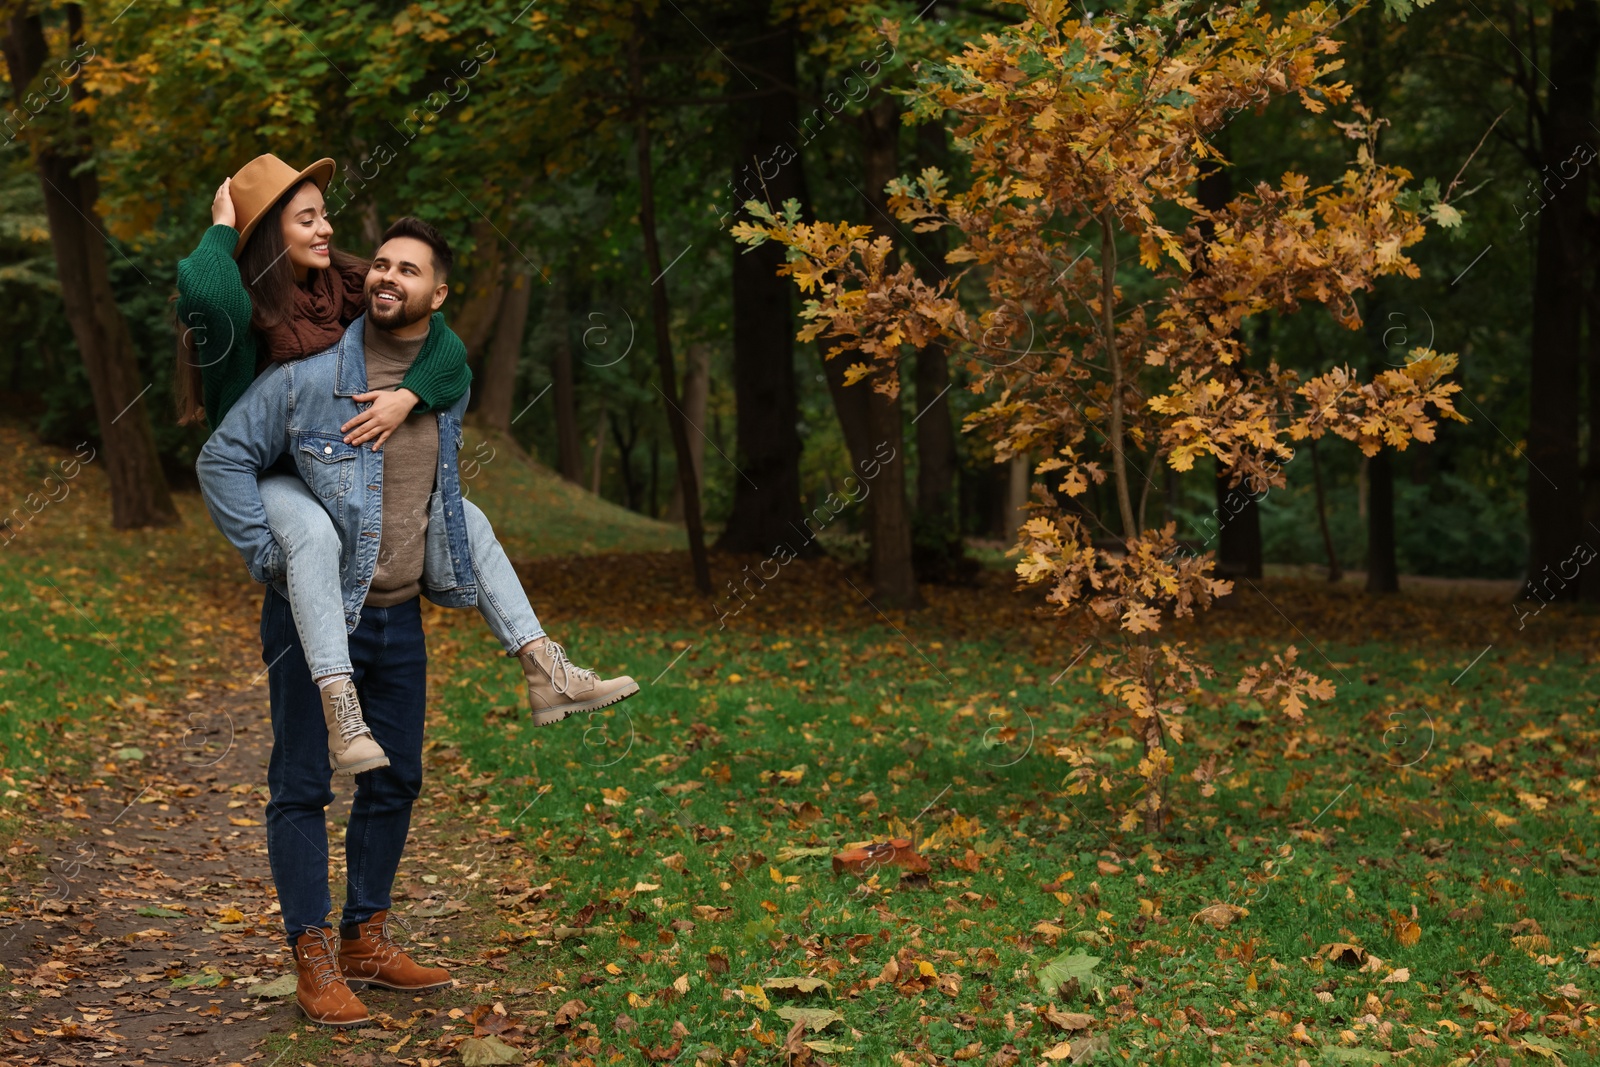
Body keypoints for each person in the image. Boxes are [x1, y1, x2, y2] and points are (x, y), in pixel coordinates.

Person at [198, 218, 614, 1025]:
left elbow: (446, 390)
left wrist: (413, 393)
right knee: (303, 787)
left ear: (439, 293)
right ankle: (312, 956)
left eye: (409, 270)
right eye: (380, 265)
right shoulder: (309, 375)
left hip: (397, 617)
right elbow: (221, 456)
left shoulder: (443, 378)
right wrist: (268, 554)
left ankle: (367, 937)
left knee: (396, 780)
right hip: (314, 618)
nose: (388, 277)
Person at [177, 154, 636, 779]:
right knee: (309, 534)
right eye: (306, 219)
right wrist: (225, 224)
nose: (326, 229)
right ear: (267, 237)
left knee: (460, 512)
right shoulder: (239, 306)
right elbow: (204, 290)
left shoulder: (338, 284)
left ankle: (544, 668)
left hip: (331, 464)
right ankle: (340, 706)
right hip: (272, 471)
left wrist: (408, 394)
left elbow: (436, 329)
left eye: (326, 215)